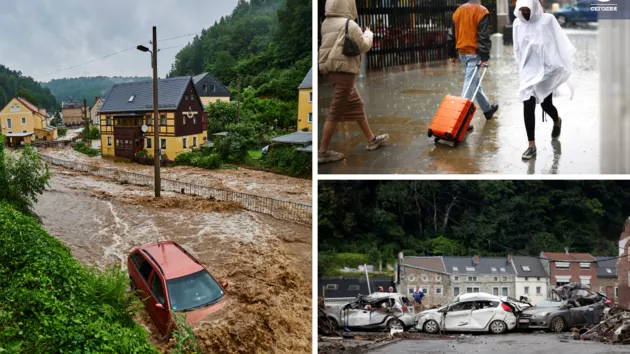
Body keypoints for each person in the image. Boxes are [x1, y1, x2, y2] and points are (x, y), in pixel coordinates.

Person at [318, 0, 389, 164]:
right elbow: (363, 45)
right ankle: (322, 152)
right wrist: (368, 34)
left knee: (356, 104)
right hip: (345, 72)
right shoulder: (349, 24)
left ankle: (372, 139)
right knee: (335, 112)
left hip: (332, 71)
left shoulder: (326, 23)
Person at [513, 0, 576, 159]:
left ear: (534, 7)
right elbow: (517, 48)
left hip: (545, 71)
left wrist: (560, 63)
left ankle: (556, 120)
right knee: (528, 104)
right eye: (522, 10)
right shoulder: (517, 24)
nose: (525, 13)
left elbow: (559, 41)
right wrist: (521, 68)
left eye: (527, 10)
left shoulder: (548, 20)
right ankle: (531, 145)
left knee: (547, 104)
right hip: (528, 71)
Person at [448, 0, 500, 129]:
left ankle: (487, 109)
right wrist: (485, 56)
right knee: (469, 85)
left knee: (474, 82)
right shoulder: (481, 11)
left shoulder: (459, 11)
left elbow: (451, 34)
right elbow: (483, 36)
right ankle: (461, 120)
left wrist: (452, 54)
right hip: (473, 53)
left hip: (462, 52)